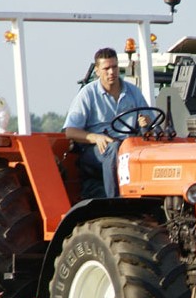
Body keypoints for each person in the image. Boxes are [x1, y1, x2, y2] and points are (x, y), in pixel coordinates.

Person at [63, 47, 151, 198]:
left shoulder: (133, 92)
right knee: (113, 148)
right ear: (97, 71)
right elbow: (70, 132)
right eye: (106, 68)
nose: (111, 72)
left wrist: (146, 122)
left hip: (128, 147)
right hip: (96, 150)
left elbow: (150, 122)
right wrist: (96, 137)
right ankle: (115, 200)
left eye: (114, 67)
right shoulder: (88, 94)